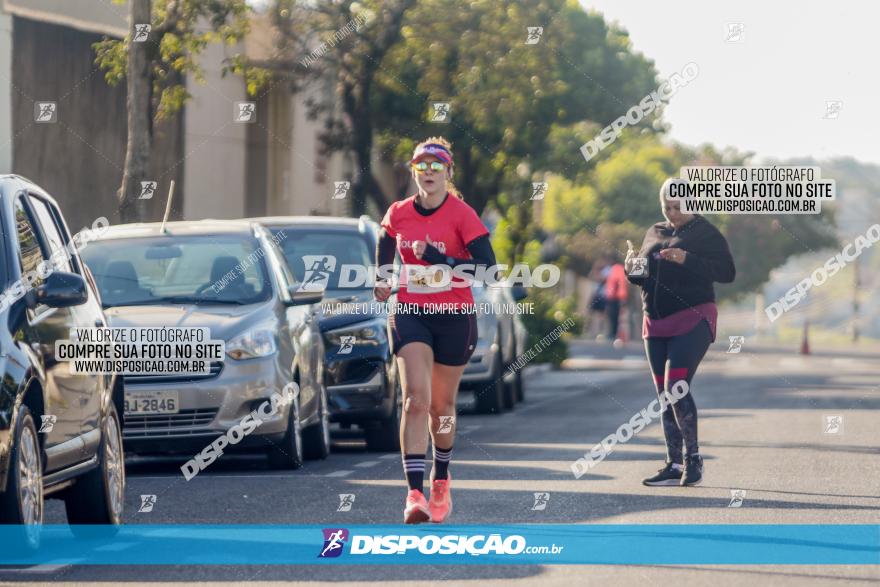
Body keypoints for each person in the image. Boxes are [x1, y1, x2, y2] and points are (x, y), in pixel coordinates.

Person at [374, 137, 497, 523]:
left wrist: (440, 258)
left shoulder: (463, 215)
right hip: (411, 311)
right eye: (421, 166)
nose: (428, 172)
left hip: (454, 316)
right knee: (415, 400)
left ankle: (440, 477)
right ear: (414, 172)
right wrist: (382, 279)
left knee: (442, 408)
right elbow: (384, 244)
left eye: (436, 165)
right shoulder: (398, 213)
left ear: (448, 172)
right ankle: (414, 494)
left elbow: (487, 269)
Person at [625, 178, 735, 487]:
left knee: (676, 387)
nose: (672, 213)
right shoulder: (654, 232)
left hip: (693, 317)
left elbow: (727, 272)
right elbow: (641, 278)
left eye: (678, 207)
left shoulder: (705, 233)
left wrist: (687, 259)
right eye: (667, 207)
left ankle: (693, 459)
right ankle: (672, 463)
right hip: (654, 322)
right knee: (663, 395)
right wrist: (631, 267)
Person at [604, 256, 628, 343]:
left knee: (614, 316)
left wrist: (622, 297)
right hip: (614, 297)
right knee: (614, 316)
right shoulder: (617, 269)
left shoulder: (616, 269)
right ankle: (614, 333)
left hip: (615, 297)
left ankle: (614, 334)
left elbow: (619, 284)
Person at [586, 256, 608, 340]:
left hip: (602, 296)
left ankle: (600, 332)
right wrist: (595, 269)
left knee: (601, 315)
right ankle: (588, 330)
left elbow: (602, 279)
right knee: (590, 313)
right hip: (595, 295)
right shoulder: (594, 271)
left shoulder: (606, 272)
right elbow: (591, 277)